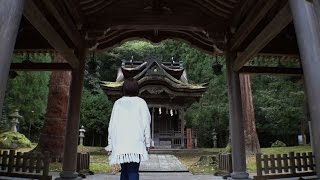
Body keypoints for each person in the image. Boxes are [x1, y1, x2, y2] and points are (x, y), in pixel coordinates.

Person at [105, 78, 151, 180]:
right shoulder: (141, 102)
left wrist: (110, 143)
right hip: (135, 143)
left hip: (121, 143)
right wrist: (148, 143)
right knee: (133, 171)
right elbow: (146, 124)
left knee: (124, 171)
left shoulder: (118, 103)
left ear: (124, 89)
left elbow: (112, 125)